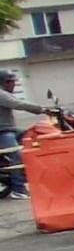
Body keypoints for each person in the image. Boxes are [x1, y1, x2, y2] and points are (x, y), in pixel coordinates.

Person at [0, 67, 37, 200]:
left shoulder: (5, 93)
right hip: (2, 133)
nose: (14, 84)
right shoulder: (1, 94)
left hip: (9, 130)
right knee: (17, 155)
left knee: (35, 134)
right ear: (3, 82)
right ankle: (18, 189)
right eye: (10, 81)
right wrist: (43, 109)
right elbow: (18, 104)